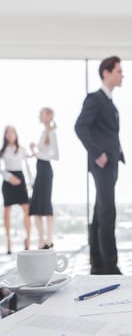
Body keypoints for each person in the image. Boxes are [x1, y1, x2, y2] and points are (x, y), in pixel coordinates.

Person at [75, 56, 125, 275]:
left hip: (112, 162)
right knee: (107, 213)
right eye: (119, 71)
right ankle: (111, 266)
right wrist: (98, 154)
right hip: (102, 163)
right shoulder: (95, 99)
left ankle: (97, 264)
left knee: (100, 213)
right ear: (106, 72)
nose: (121, 75)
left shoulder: (109, 101)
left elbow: (109, 132)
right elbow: (80, 127)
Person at [29, 107, 59, 249]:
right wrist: (35, 150)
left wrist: (38, 154)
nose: (39, 116)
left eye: (41, 113)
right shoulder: (44, 133)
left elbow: (56, 156)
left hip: (46, 170)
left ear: (48, 115)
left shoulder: (52, 133)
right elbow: (43, 153)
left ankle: (49, 239)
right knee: (36, 207)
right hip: (40, 170)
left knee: (45, 206)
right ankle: (42, 241)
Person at [0, 125, 32, 254]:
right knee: (7, 211)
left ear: (15, 134)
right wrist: (8, 177)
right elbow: (1, 167)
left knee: (27, 211)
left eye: (12, 132)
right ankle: (9, 242)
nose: (10, 134)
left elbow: (28, 165)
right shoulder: (2, 151)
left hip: (21, 178)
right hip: (8, 180)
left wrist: (31, 182)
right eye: (7, 132)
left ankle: (28, 240)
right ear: (5, 135)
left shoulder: (22, 150)